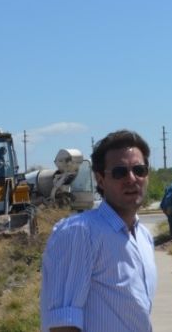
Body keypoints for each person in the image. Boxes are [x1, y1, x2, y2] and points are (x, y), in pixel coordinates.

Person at [40, 130, 157, 332]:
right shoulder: (80, 232)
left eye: (139, 170)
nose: (131, 179)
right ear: (100, 179)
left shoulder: (144, 237)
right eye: (120, 172)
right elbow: (62, 324)